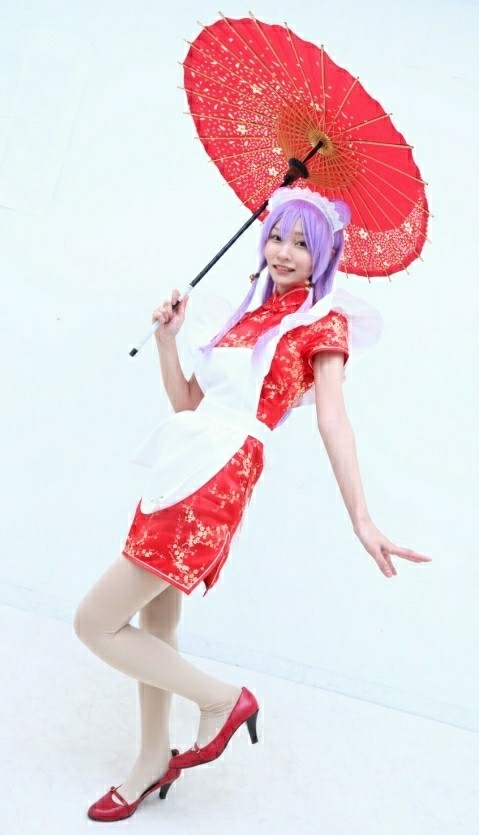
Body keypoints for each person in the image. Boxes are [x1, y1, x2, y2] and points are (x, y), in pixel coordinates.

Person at [74, 187, 431, 822]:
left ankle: (223, 701)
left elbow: (333, 420)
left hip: (216, 475)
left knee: (94, 622)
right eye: (277, 237)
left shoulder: (323, 323)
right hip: (182, 457)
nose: (284, 252)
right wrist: (168, 340)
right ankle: (151, 758)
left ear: (324, 257)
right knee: (157, 620)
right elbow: (189, 404)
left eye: (303, 244)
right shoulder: (246, 313)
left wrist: (362, 518)